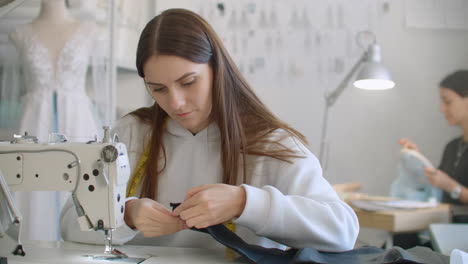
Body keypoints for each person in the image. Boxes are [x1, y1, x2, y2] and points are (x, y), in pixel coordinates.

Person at [61, 8, 359, 252]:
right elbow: (67, 223)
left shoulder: (269, 143)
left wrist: (246, 203)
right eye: (158, 89)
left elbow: (342, 230)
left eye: (188, 82)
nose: (175, 103)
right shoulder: (131, 133)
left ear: (218, 70)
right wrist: (125, 214)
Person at [8, 0, 105, 241]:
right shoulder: (19, 33)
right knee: (32, 186)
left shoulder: (89, 31)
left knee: (81, 182)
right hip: (34, 121)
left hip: (77, 121)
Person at [399, 70, 468, 207]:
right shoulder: (452, 147)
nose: (442, 109)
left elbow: (446, 184)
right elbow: (436, 186)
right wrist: (418, 160)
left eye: (448, 102)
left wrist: (451, 186)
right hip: (443, 223)